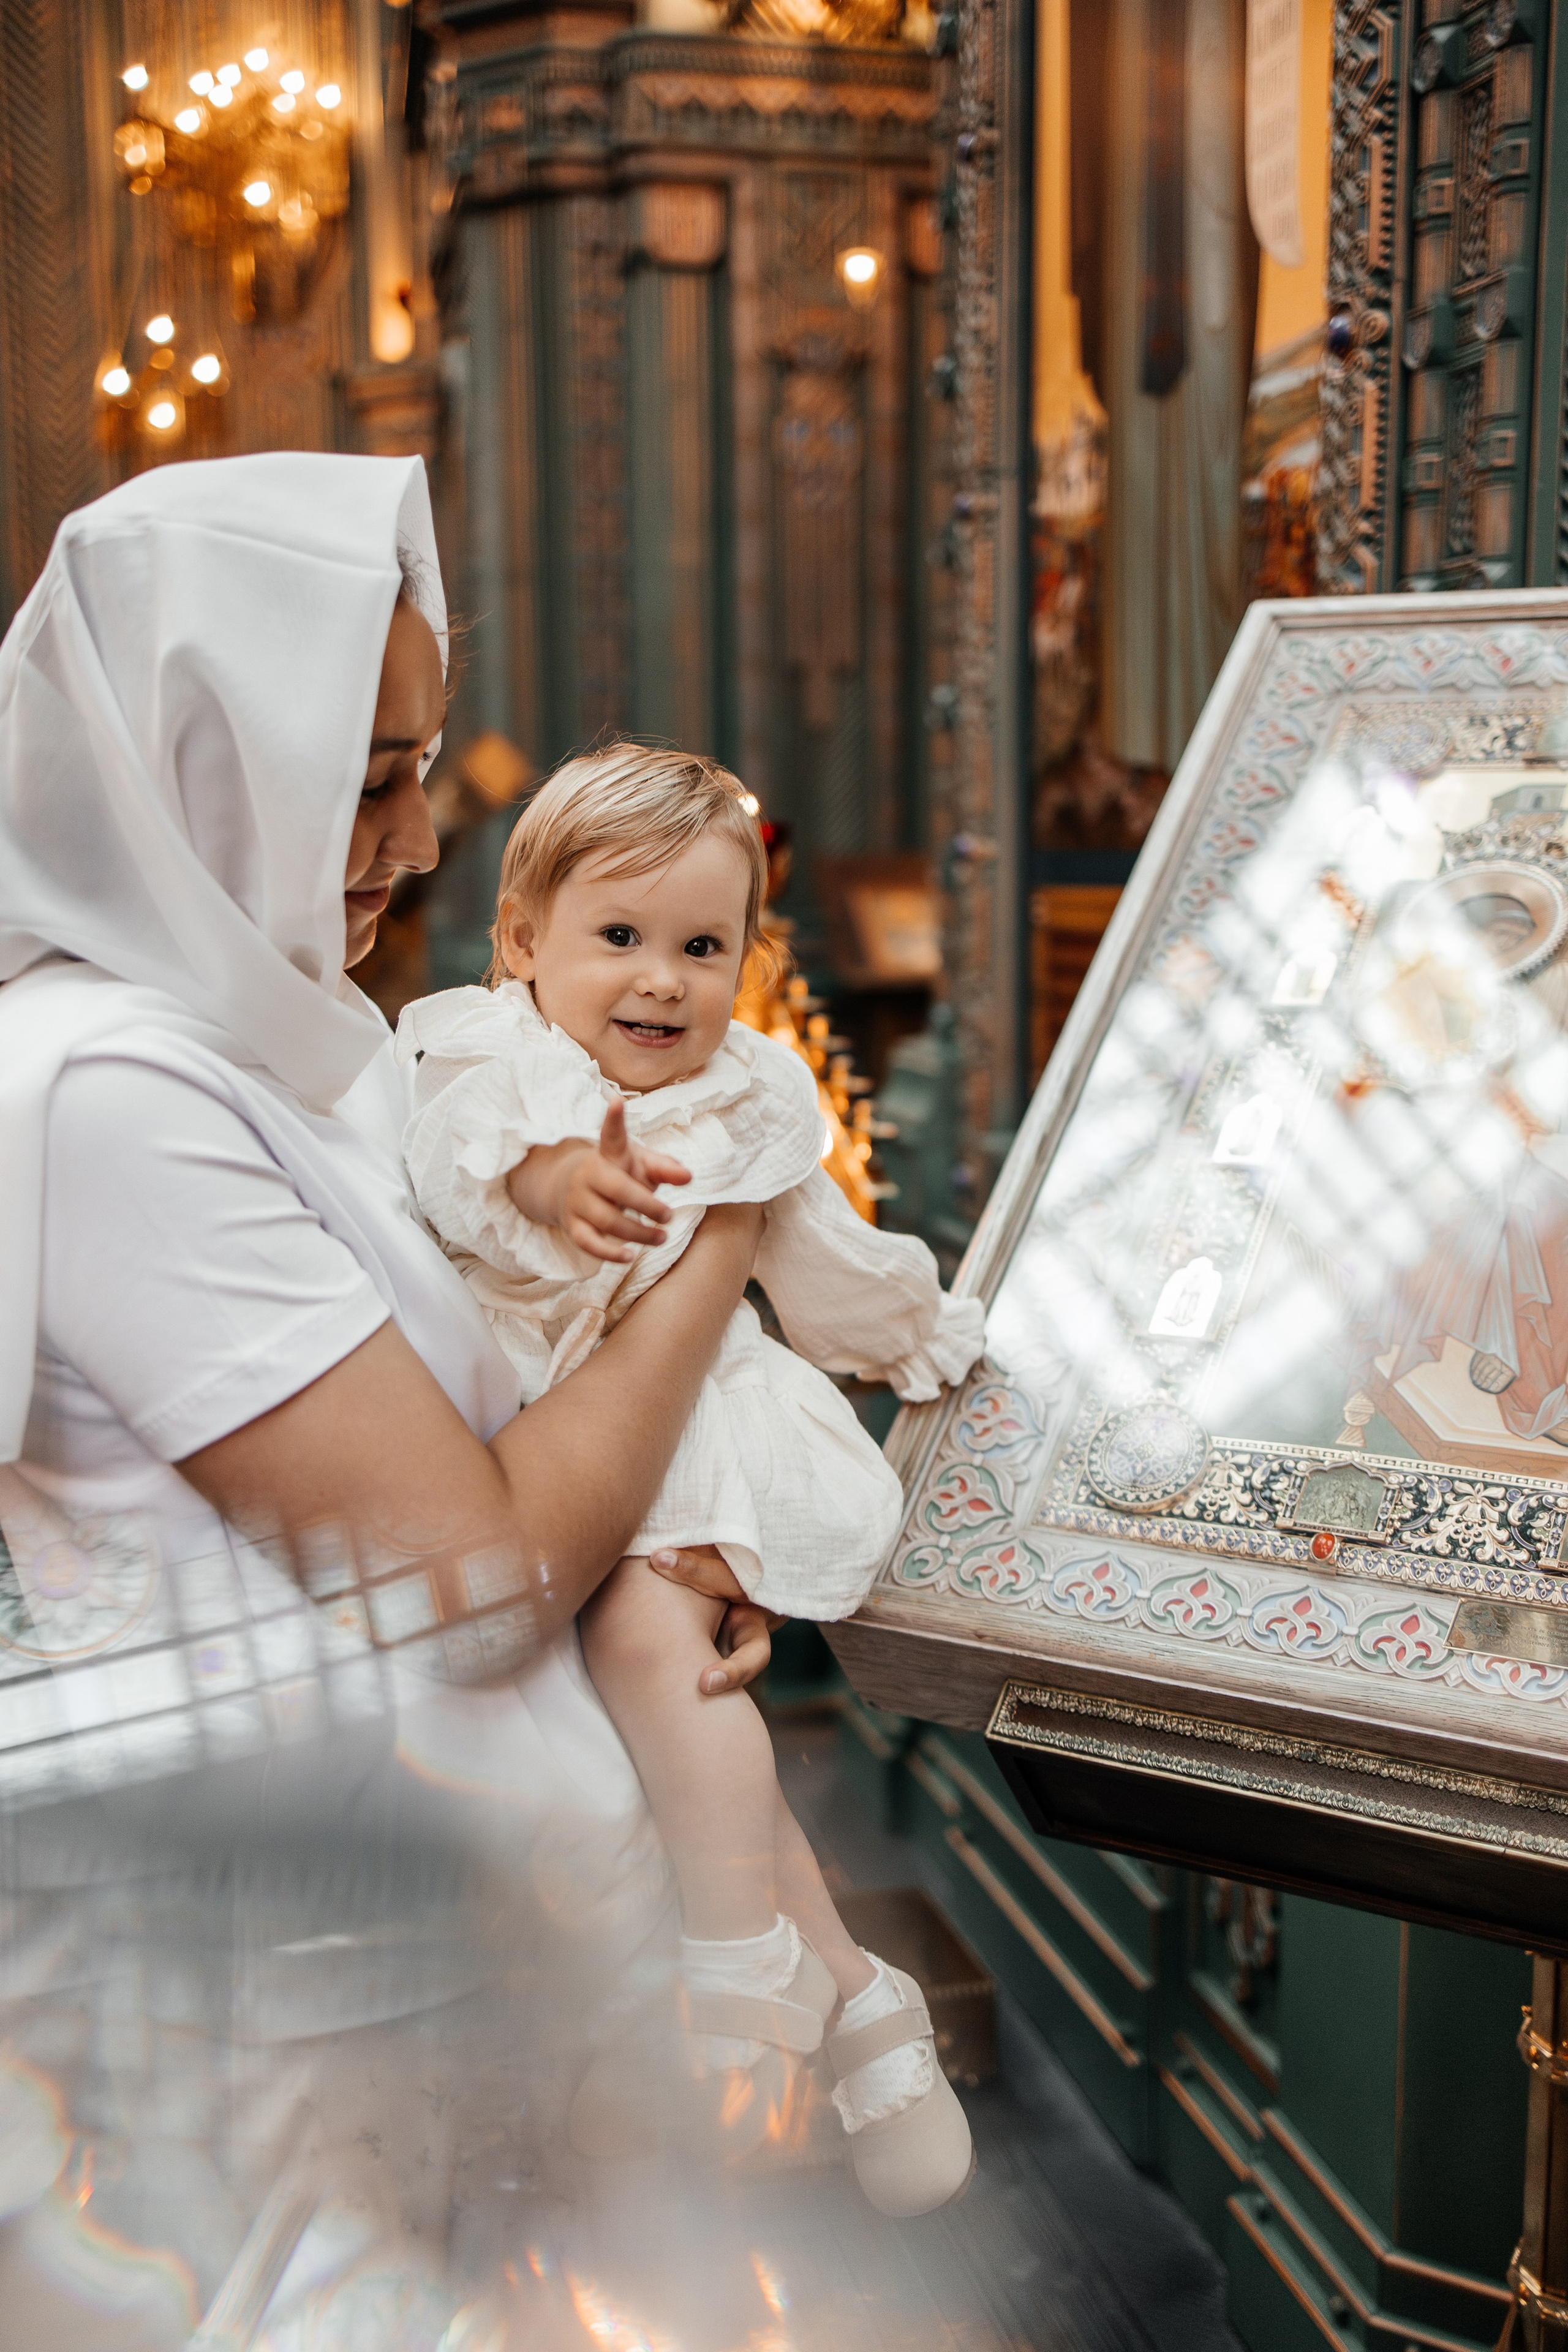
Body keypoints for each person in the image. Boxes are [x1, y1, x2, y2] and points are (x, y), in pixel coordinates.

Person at [0, 453, 775, 2335]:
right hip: (285, 2015)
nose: (423, 844)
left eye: (418, 769)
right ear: (190, 756)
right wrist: (727, 1232)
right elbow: (466, 1579)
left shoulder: (262, 1030)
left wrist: (660, 1555)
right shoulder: (111, 1089)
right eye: (362, 780)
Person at [393, 744, 986, 2215]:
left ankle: (735, 1962)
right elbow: (482, 1165)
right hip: (523, 1424)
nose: (662, 980)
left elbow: (820, 1258)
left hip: (688, 1412)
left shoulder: (744, 1096)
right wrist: (560, 1185)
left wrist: (912, 1333)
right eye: (618, 939)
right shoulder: (482, 1055)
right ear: (522, 940)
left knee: (656, 1650)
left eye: (702, 947)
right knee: (659, 1710)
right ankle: (847, 1985)